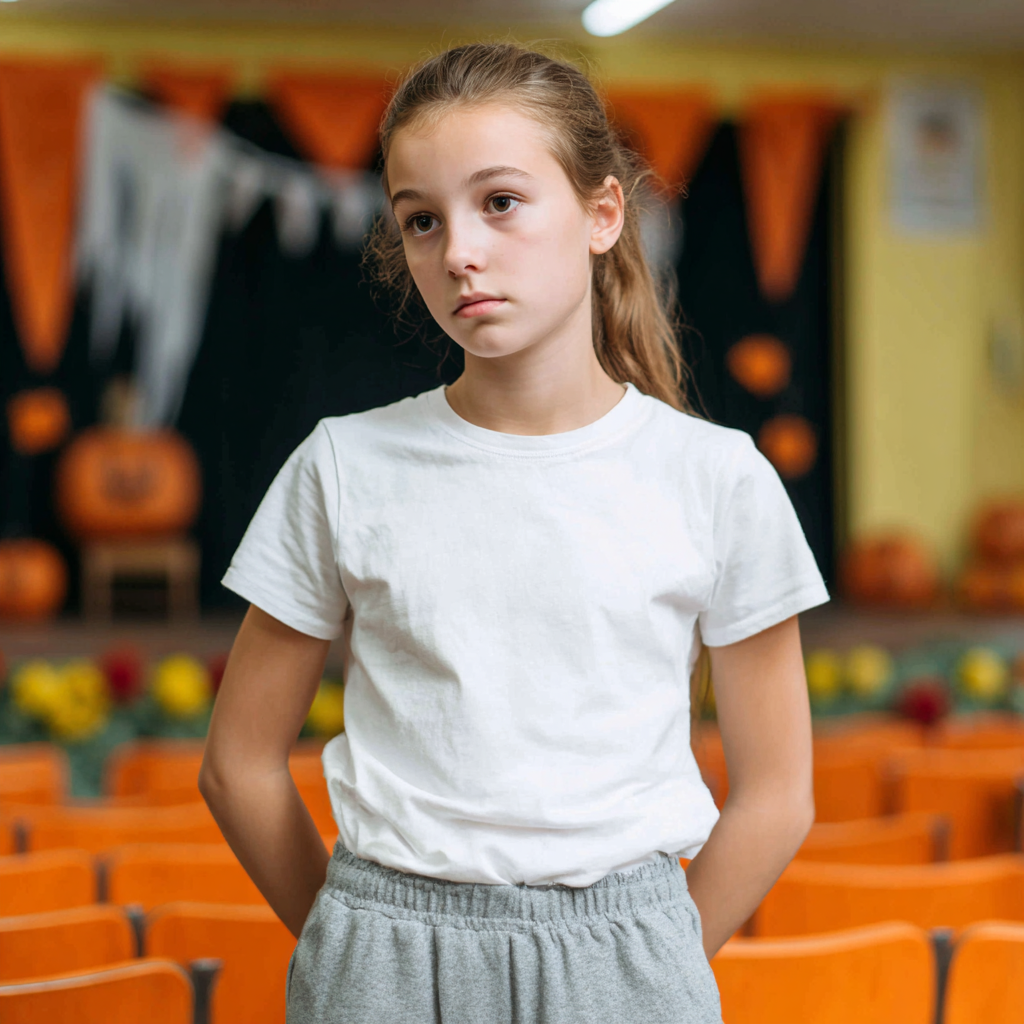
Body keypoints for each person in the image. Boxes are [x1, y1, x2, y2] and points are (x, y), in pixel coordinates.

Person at [199, 41, 829, 1024]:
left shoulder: (717, 478)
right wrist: (351, 944)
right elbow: (237, 762)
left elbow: (779, 792)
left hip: (628, 953)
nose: (456, 251)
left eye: (499, 202)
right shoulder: (343, 466)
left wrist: (650, 956)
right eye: (420, 219)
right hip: (381, 948)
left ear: (600, 214)